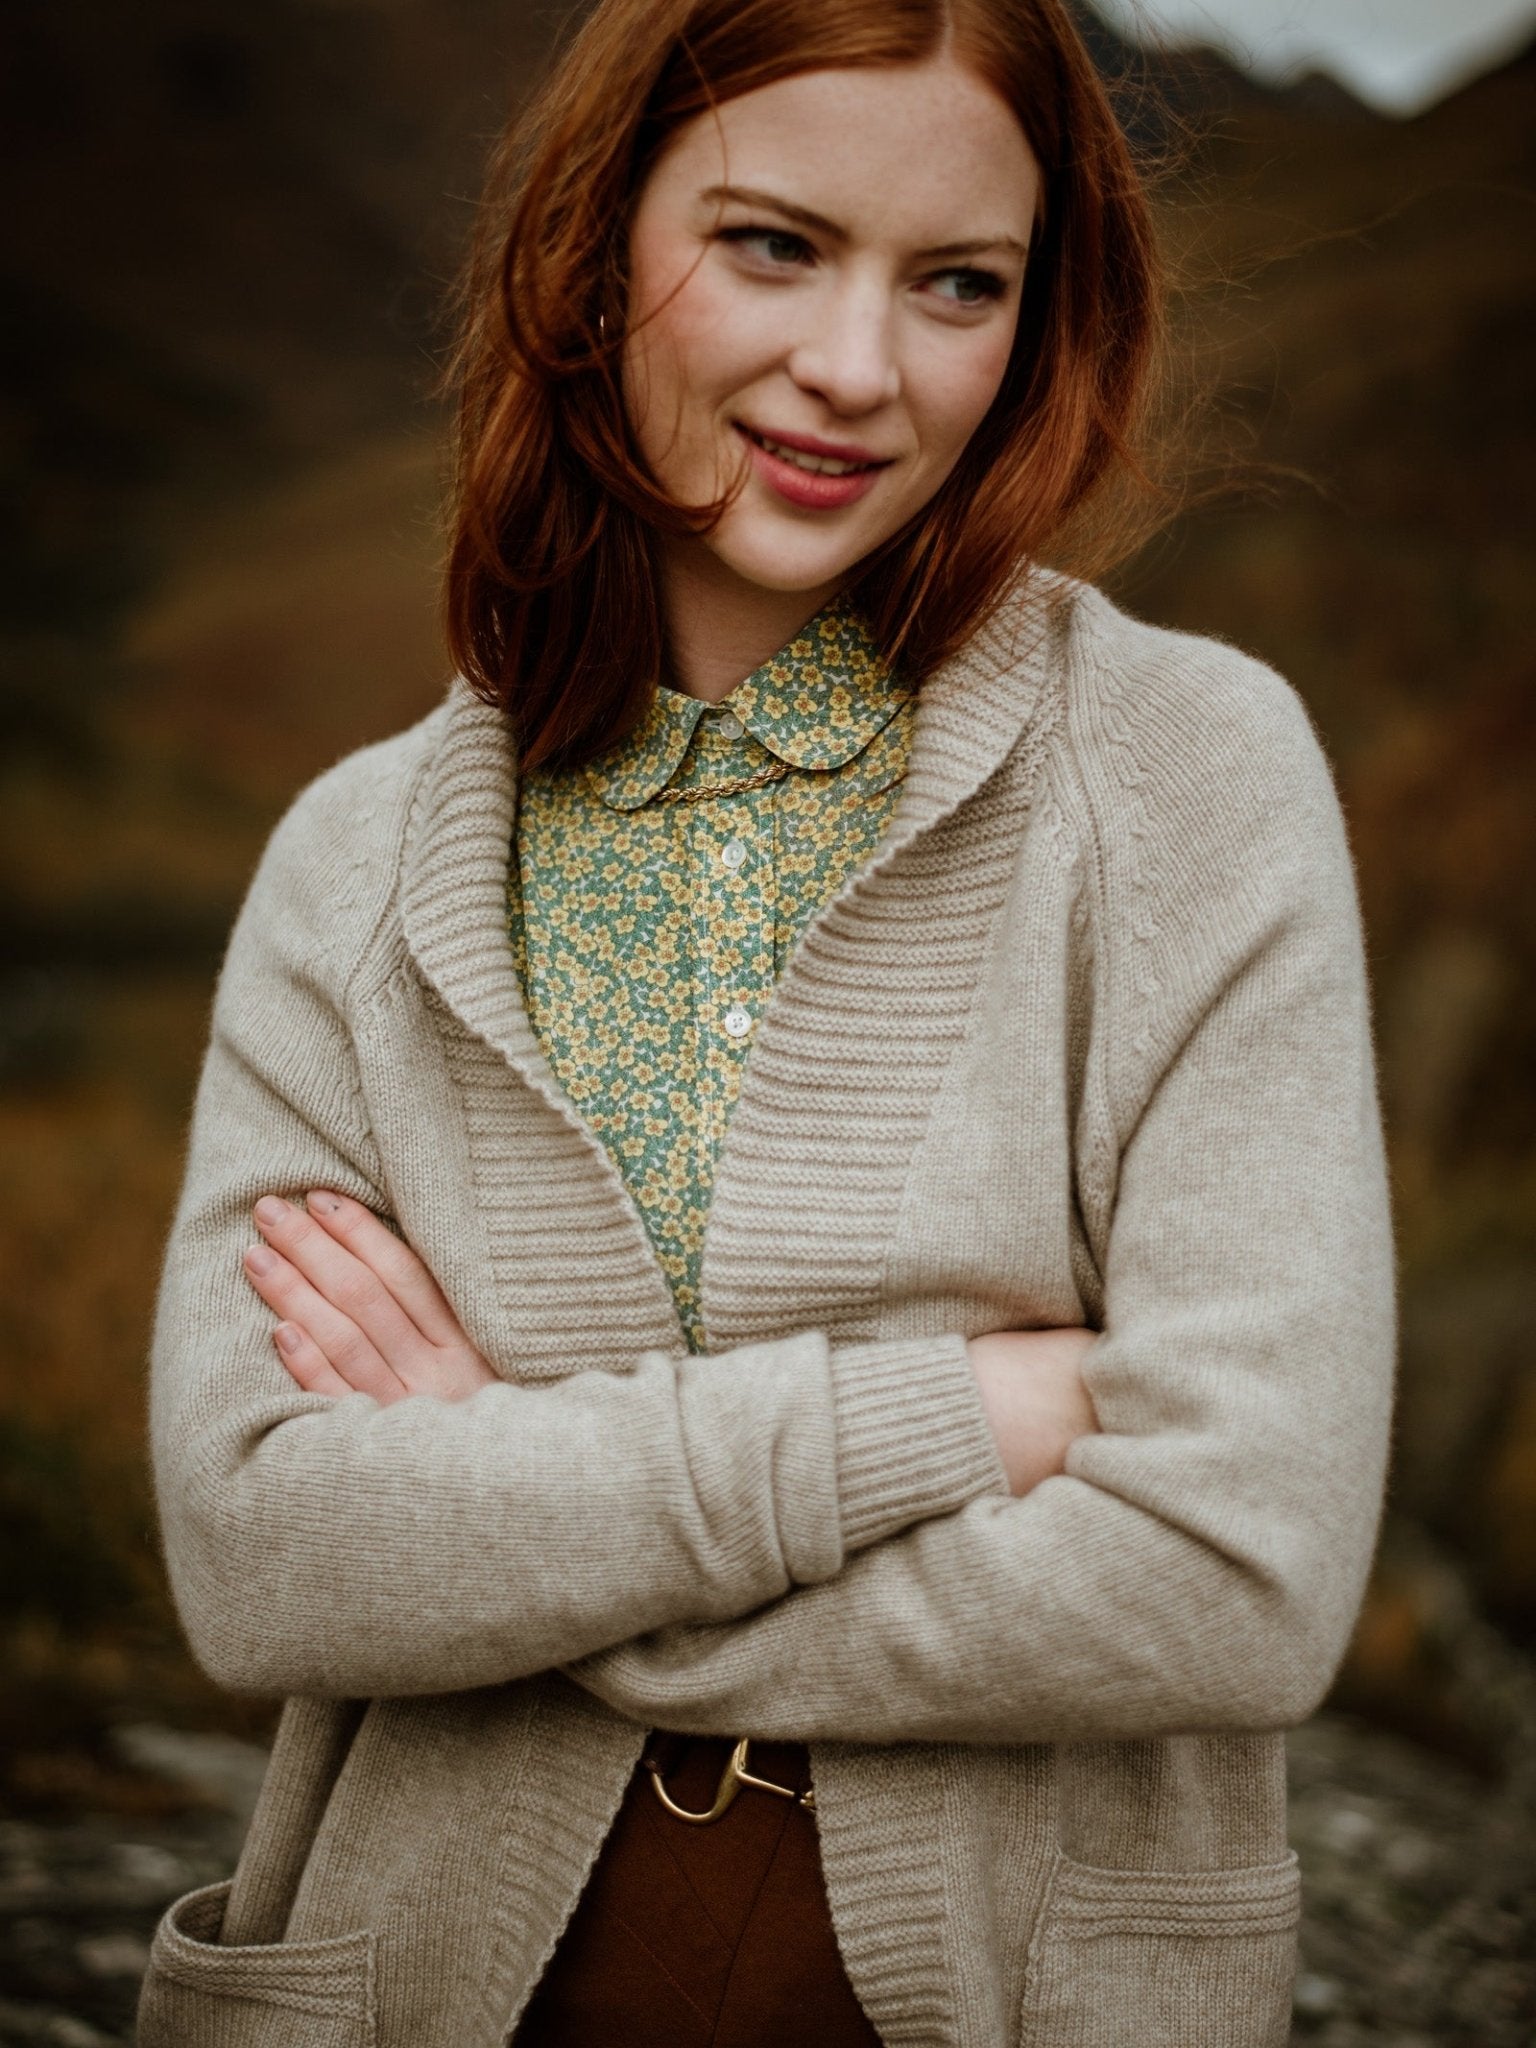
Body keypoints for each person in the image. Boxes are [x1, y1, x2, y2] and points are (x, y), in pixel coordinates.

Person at [138, 0, 1395, 2042]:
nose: (857, 370)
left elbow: (1240, 1567)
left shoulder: (1190, 775)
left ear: (1037, 324)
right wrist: (953, 1416)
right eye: (772, 244)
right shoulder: (357, 863)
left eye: (959, 284)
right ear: (591, 245)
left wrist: (513, 1515)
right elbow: (266, 1559)